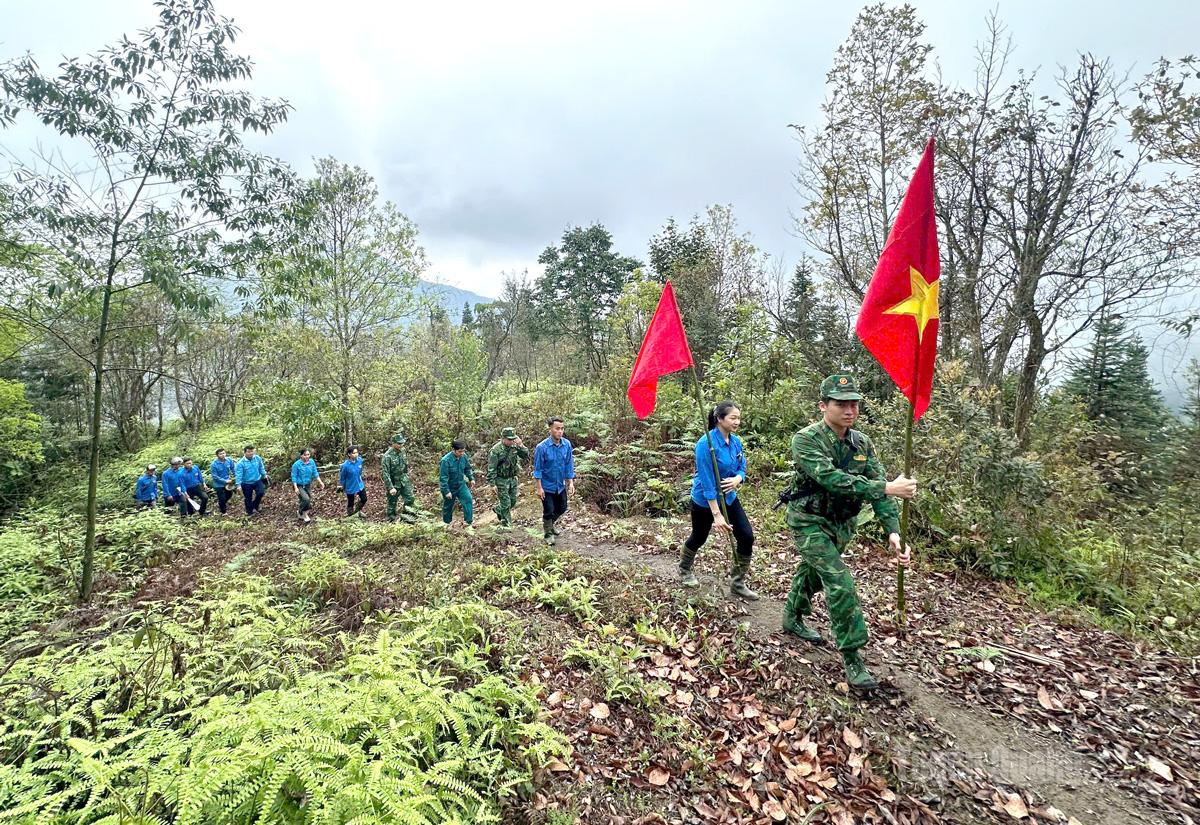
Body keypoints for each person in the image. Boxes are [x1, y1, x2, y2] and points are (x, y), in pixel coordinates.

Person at [782, 373, 917, 694]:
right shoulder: (806, 439)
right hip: (808, 520)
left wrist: (893, 532)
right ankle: (853, 657)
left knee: (813, 573)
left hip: (842, 524)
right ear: (823, 406)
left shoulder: (862, 443)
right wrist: (887, 486)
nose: (849, 410)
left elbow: (879, 493)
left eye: (854, 404)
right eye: (841, 403)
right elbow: (832, 479)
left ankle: (791, 615)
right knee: (839, 581)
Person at [678, 401, 758, 600]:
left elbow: (742, 465)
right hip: (705, 501)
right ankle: (685, 569)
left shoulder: (736, 441)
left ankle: (737, 582)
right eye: (733, 418)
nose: (737, 422)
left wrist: (738, 478)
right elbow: (706, 481)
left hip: (729, 498)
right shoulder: (705, 444)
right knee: (699, 537)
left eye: (738, 418)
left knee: (747, 536)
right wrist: (717, 515)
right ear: (719, 419)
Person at [533, 417, 574, 545]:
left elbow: (569, 464)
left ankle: (550, 524)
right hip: (546, 485)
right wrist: (539, 488)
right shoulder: (542, 447)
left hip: (559, 485)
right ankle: (548, 533)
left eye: (562, 429)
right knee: (549, 509)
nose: (560, 431)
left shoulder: (566, 444)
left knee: (562, 507)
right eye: (557, 428)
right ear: (550, 429)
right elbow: (538, 469)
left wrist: (570, 482)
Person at [487, 427, 528, 527]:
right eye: (509, 439)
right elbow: (491, 468)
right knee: (506, 503)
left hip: (513, 478)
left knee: (513, 501)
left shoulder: (515, 446)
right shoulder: (496, 450)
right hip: (501, 479)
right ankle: (507, 524)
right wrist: (492, 484)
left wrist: (521, 445)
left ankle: (498, 509)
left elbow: (525, 455)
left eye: (513, 439)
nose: (511, 441)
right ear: (503, 438)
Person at [381, 433, 417, 523]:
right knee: (392, 503)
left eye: (402, 443)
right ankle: (391, 520)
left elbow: (405, 465)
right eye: (399, 443)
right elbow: (385, 473)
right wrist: (390, 487)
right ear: (393, 443)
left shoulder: (403, 451)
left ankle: (407, 517)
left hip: (404, 480)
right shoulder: (387, 456)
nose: (401, 445)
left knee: (410, 498)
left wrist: (407, 476)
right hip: (394, 482)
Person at [439, 440, 475, 528]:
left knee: (468, 499)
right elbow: (443, 478)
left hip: (461, 485)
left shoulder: (464, 457)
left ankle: (468, 522)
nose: (462, 453)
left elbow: (467, 468)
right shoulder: (445, 460)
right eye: (460, 451)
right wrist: (447, 491)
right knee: (448, 506)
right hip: (449, 486)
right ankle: (446, 524)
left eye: (463, 451)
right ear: (453, 450)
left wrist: (471, 478)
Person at [291, 447, 325, 523]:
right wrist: (296, 488)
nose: (307, 457)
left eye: (308, 455)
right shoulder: (296, 465)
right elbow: (294, 477)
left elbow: (315, 473)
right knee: (306, 499)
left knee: (308, 498)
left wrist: (320, 482)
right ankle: (304, 514)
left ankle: (301, 512)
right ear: (301, 456)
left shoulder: (311, 462)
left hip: (307, 484)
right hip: (299, 485)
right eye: (305, 455)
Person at [235, 444, 268, 517]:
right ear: (245, 453)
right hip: (246, 483)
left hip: (257, 480)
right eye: (249, 452)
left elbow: (261, 467)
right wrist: (238, 485)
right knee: (248, 498)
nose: (251, 453)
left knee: (260, 493)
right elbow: (238, 475)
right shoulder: (240, 463)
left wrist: (264, 475)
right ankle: (249, 512)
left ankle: (255, 506)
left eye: (252, 451)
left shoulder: (257, 458)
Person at [338, 446, 367, 517]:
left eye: (357, 452)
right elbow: (342, 477)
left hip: (359, 484)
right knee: (351, 502)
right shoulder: (345, 466)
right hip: (350, 486)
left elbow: (360, 471)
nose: (356, 454)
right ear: (349, 454)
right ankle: (350, 515)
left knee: (364, 499)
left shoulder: (360, 460)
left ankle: (358, 511)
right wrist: (342, 486)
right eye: (354, 453)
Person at [209, 448, 236, 515]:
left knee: (229, 495)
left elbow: (233, 469)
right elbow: (215, 476)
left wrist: (236, 477)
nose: (223, 455)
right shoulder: (214, 464)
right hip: (218, 484)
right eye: (220, 454)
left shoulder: (229, 460)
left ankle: (221, 503)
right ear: (217, 455)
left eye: (224, 453)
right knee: (221, 498)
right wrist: (225, 481)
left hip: (228, 482)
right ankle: (223, 512)